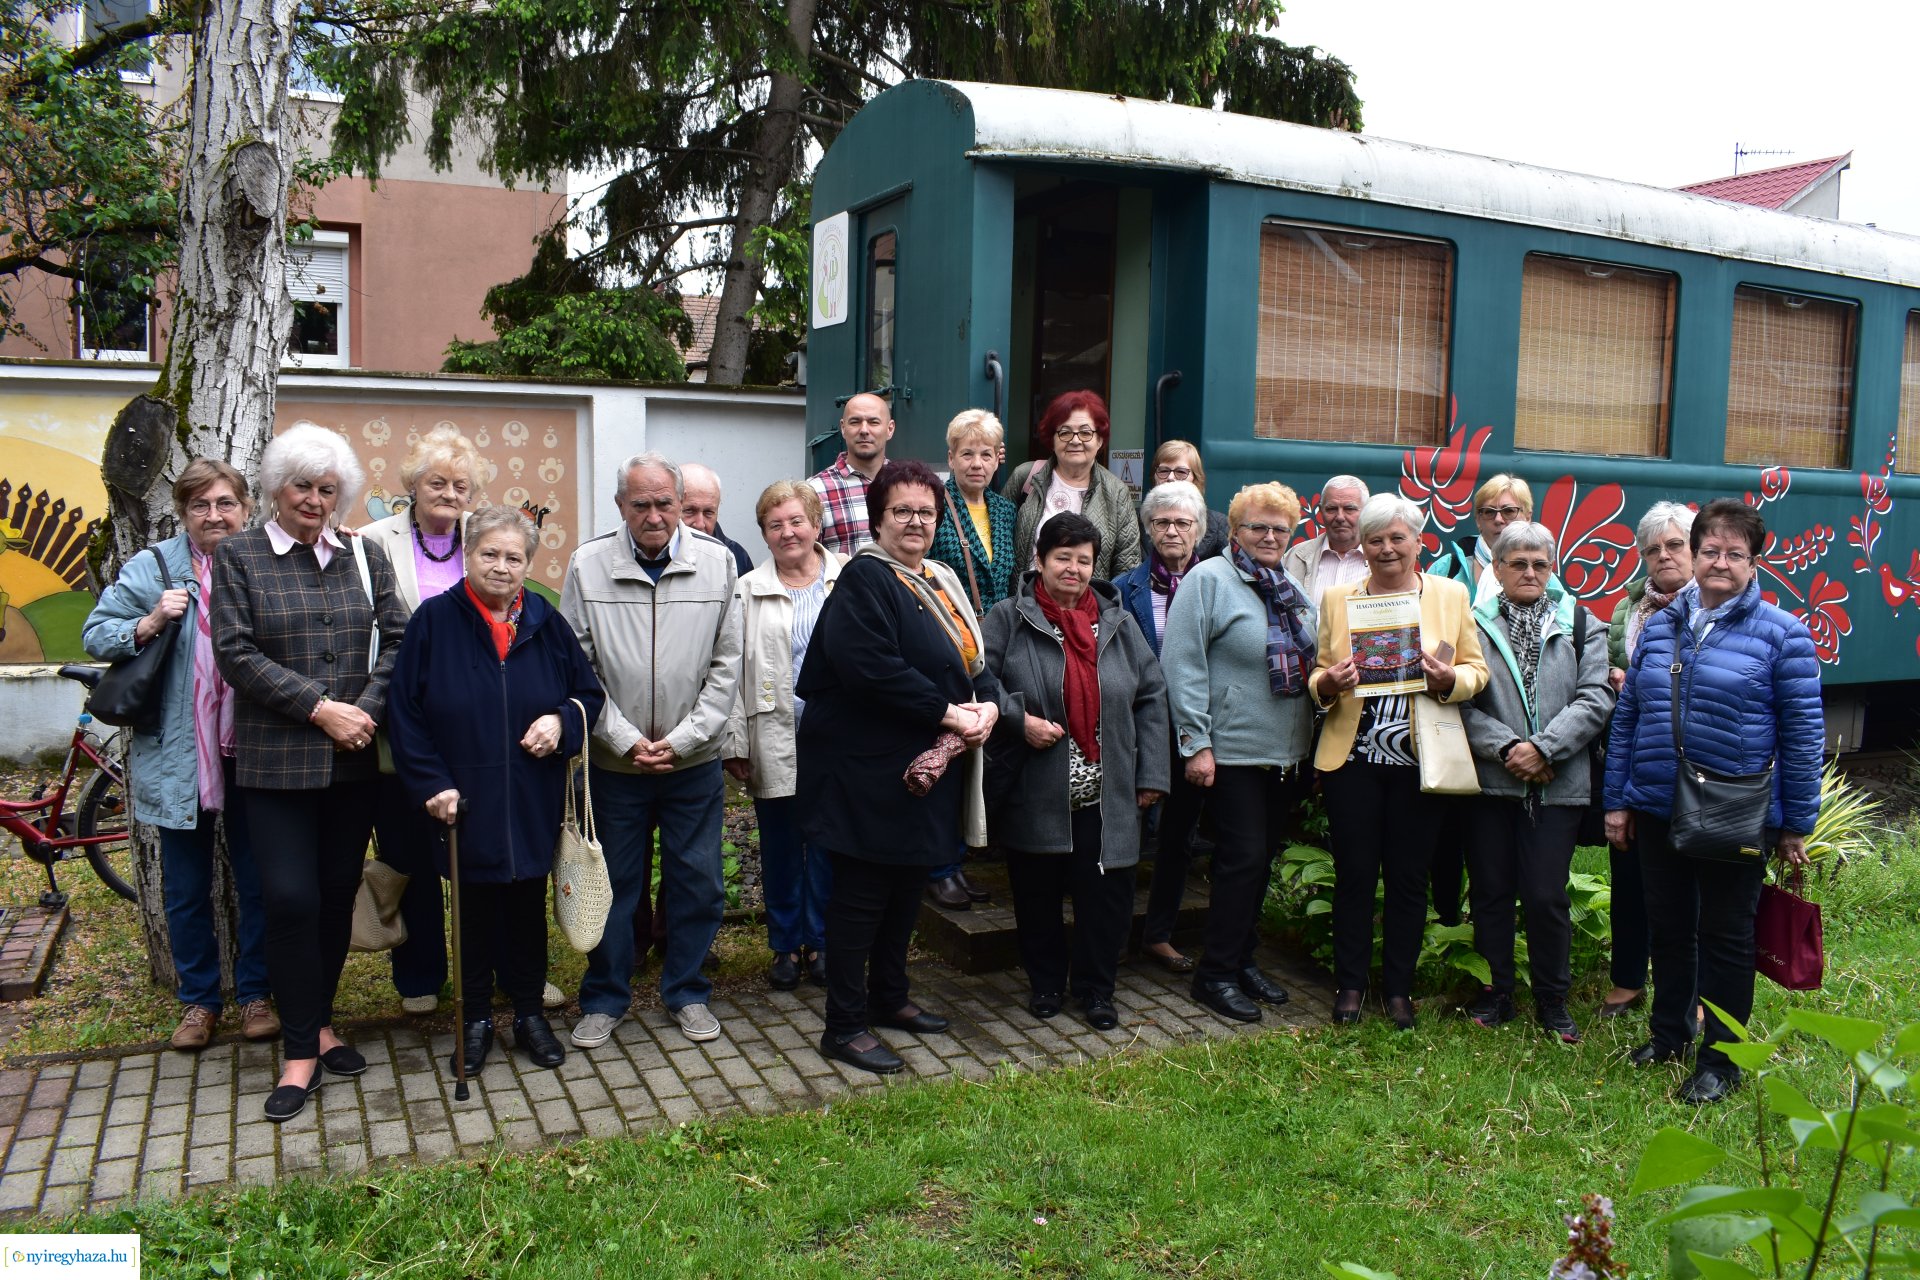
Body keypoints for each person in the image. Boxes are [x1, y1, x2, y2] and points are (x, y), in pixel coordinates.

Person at [213, 424, 410, 1122]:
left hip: (353, 763)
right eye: (303, 485)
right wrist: (322, 709)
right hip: (276, 765)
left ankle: (321, 1024)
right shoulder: (239, 556)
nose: (315, 499)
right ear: (276, 486)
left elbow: (400, 640)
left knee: (333, 897)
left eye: (329, 489)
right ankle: (299, 1052)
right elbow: (235, 653)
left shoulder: (364, 555)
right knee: (290, 899)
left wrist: (364, 712)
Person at [796, 459, 1013, 1075]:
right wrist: (950, 712)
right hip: (866, 772)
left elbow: (972, 657)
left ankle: (890, 1000)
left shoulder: (938, 579)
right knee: (863, 897)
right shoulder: (865, 579)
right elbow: (869, 667)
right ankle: (842, 1026)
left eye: (926, 511)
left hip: (923, 770)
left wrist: (991, 701)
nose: (915, 522)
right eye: (902, 511)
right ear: (878, 519)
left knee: (903, 893)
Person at [1604, 499, 1822, 1104]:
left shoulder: (1784, 635)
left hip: (1735, 810)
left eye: (1735, 554)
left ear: (1754, 563)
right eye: (1710, 551)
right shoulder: (1662, 624)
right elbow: (1627, 718)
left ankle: (1720, 1062)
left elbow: (1804, 736)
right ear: (1693, 555)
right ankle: (1668, 1034)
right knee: (1669, 928)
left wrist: (1796, 822)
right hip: (1656, 804)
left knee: (1726, 937)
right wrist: (1618, 800)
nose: (1720, 562)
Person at [385, 506, 605, 1073]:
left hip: (532, 797)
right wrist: (431, 782)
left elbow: (588, 695)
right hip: (463, 798)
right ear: (468, 554)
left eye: (514, 557)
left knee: (528, 908)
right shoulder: (434, 621)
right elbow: (404, 713)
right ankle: (476, 1019)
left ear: (528, 564)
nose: (502, 567)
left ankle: (530, 1015)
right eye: (490, 554)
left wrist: (561, 721)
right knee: (475, 912)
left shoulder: (546, 622)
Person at [82, 460, 279, 1052]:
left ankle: (256, 995)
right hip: (178, 754)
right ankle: (198, 1002)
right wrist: (146, 622)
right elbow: (96, 632)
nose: (214, 516)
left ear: (246, 509)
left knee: (259, 881)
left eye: (225, 503)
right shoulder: (155, 566)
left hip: (255, 748)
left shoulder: (267, 563)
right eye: (200, 505)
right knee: (188, 888)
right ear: (183, 512)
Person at [560, 453, 743, 1049]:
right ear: (620, 507)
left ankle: (686, 990)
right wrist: (624, 739)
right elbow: (576, 665)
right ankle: (606, 997)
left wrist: (684, 739)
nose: (655, 514)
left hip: (693, 766)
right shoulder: (588, 565)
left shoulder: (718, 565)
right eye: (641, 503)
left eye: (665, 502)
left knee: (700, 881)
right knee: (614, 886)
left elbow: (727, 666)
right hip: (617, 765)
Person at [1310, 494, 1488, 1030]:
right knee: (1355, 877)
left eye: (1396, 538)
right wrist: (1329, 684)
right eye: (1374, 539)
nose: (1386, 549)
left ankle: (1399, 990)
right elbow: (1317, 675)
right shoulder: (1339, 598)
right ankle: (1350, 986)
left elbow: (1477, 670)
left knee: (1410, 879)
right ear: (1361, 546)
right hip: (1353, 761)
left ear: (1418, 541)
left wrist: (1449, 680)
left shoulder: (1452, 594)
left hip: (1419, 760)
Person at [984, 513, 1168, 1029]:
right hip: (1036, 786)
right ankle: (1045, 985)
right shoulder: (1007, 617)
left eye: (1084, 559)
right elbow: (980, 681)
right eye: (1062, 557)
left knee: (1105, 899)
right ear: (1039, 560)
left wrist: (1151, 774)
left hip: (1108, 795)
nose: (1074, 568)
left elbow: (1151, 697)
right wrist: (1019, 722)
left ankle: (1096, 991)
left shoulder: (1118, 622)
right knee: (1037, 894)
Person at [1162, 483, 1318, 1023]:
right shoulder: (1208, 580)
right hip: (1230, 753)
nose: (1269, 537)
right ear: (1235, 532)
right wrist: (1196, 745)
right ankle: (1215, 976)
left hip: (1287, 755)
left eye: (1280, 528)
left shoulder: (1288, 586)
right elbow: (1182, 666)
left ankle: (1244, 961)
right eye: (1258, 527)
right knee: (1241, 860)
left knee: (1261, 863)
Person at [1458, 523, 1614, 1044]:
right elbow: (1459, 703)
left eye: (1540, 564)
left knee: (1546, 895)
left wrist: (1544, 748)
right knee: (1491, 892)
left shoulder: (1582, 623)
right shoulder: (1472, 623)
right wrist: (1508, 749)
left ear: (1552, 569)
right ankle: (1497, 992)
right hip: (1493, 783)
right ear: (1497, 569)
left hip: (1558, 784)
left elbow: (1596, 697)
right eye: (1517, 563)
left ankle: (1553, 999)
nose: (1529, 572)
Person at [357, 425, 475, 1017]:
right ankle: (420, 976)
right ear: (412, 486)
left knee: (482, 854)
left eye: (459, 484)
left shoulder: (483, 539)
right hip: (398, 723)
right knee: (409, 851)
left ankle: (496, 971)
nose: (449, 493)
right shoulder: (374, 540)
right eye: (437, 482)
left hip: (475, 722)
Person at [723, 481, 848, 990]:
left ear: (816, 524)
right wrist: (733, 743)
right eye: (775, 525)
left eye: (796, 520)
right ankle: (783, 946)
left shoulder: (851, 577)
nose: (787, 532)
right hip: (772, 734)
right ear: (764, 535)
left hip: (838, 739)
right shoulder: (746, 589)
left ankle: (819, 942)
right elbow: (728, 669)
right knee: (779, 844)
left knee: (827, 845)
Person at [1423, 475, 1541, 926]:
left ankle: (1496, 921)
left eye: (1509, 512)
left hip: (1507, 722)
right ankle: (1448, 921)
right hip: (1453, 713)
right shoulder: (1446, 568)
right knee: (1450, 825)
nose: (1497, 520)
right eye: (1488, 512)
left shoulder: (1539, 570)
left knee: (1497, 835)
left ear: (1526, 516)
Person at [1598, 501, 1697, 1019]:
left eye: (1674, 545)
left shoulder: (1717, 605)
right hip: (1638, 755)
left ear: (1696, 548)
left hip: (1700, 764)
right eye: (1652, 549)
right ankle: (1628, 978)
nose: (1663, 556)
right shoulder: (1628, 609)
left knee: (1693, 881)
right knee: (1630, 872)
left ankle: (1694, 990)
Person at [924, 408, 1020, 911]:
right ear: (951, 457)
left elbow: (1013, 580)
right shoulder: (935, 506)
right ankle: (939, 867)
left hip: (993, 649)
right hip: (944, 647)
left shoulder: (1006, 512)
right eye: (967, 453)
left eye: (986, 454)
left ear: (999, 459)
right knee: (947, 753)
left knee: (981, 756)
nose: (976, 463)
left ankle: (959, 859)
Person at [1115, 479, 1210, 972]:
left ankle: (1158, 933)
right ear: (1148, 529)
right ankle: (1112, 936)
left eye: (1182, 523)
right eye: (1162, 523)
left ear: (1198, 530)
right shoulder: (1120, 590)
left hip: (1197, 733)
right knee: (1126, 831)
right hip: (1136, 732)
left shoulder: (1215, 583)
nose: (1171, 531)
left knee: (1179, 837)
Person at [1004, 390, 1143, 581]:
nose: (1075, 440)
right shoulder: (1026, 477)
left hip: (1089, 608)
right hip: (1024, 603)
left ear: (1099, 440)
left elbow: (1127, 566)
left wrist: (1108, 609)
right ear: (1052, 439)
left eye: (1086, 433)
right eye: (1065, 432)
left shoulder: (1116, 492)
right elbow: (997, 541)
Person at [810, 393, 895, 555]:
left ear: (889, 429)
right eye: (855, 422)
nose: (864, 430)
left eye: (873, 422)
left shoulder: (905, 484)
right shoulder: (816, 491)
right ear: (843, 428)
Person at [1281, 475, 1371, 605]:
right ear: (1321, 510)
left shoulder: (1381, 559)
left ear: (1367, 511)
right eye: (1332, 509)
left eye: (1349, 509)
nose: (1340, 517)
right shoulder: (1295, 558)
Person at [1145, 441, 1230, 561]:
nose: (1170, 478)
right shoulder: (1136, 520)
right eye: (1164, 471)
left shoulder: (1219, 524)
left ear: (1195, 479)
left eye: (1181, 472)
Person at [681, 462, 755, 575]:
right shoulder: (650, 552)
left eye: (708, 512)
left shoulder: (736, 557)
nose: (700, 524)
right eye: (689, 511)